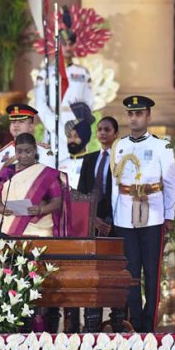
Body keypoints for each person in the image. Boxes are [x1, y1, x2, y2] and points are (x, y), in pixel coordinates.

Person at [111, 95, 175, 332]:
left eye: (139, 113)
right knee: (130, 273)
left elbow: (170, 183)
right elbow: (114, 183)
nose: (134, 118)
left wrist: (169, 215)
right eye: (131, 113)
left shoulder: (161, 146)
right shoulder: (119, 146)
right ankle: (134, 322)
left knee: (151, 271)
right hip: (125, 214)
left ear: (148, 116)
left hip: (153, 212)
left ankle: (149, 324)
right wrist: (114, 215)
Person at [65, 116, 120, 333]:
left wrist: (109, 221)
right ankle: (90, 323)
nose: (103, 133)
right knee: (89, 273)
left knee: (112, 274)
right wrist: (92, 220)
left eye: (107, 129)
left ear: (116, 133)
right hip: (90, 226)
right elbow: (81, 194)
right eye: (100, 130)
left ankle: (117, 321)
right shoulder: (89, 159)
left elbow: (120, 195)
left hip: (114, 225)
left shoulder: (121, 159)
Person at [34, 6, 95, 162]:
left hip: (76, 133)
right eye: (64, 43)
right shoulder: (45, 74)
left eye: (71, 43)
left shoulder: (83, 73)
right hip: (52, 128)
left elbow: (89, 104)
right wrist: (59, 130)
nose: (68, 47)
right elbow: (40, 105)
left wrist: (77, 129)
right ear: (58, 45)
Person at [0, 133, 70, 237]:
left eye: (28, 151)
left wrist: (41, 210)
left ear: (35, 151)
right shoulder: (7, 172)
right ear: (15, 151)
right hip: (10, 228)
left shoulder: (45, 173)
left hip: (40, 229)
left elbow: (57, 201)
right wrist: (4, 209)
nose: (23, 155)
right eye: (19, 151)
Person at [0, 104, 55, 178]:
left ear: (31, 127)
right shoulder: (1, 153)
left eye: (21, 122)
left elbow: (51, 180)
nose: (16, 125)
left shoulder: (45, 151)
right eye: (13, 122)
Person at [57, 115, 93, 190]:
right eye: (69, 136)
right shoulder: (60, 165)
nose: (72, 140)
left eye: (76, 136)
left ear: (85, 138)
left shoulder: (92, 164)